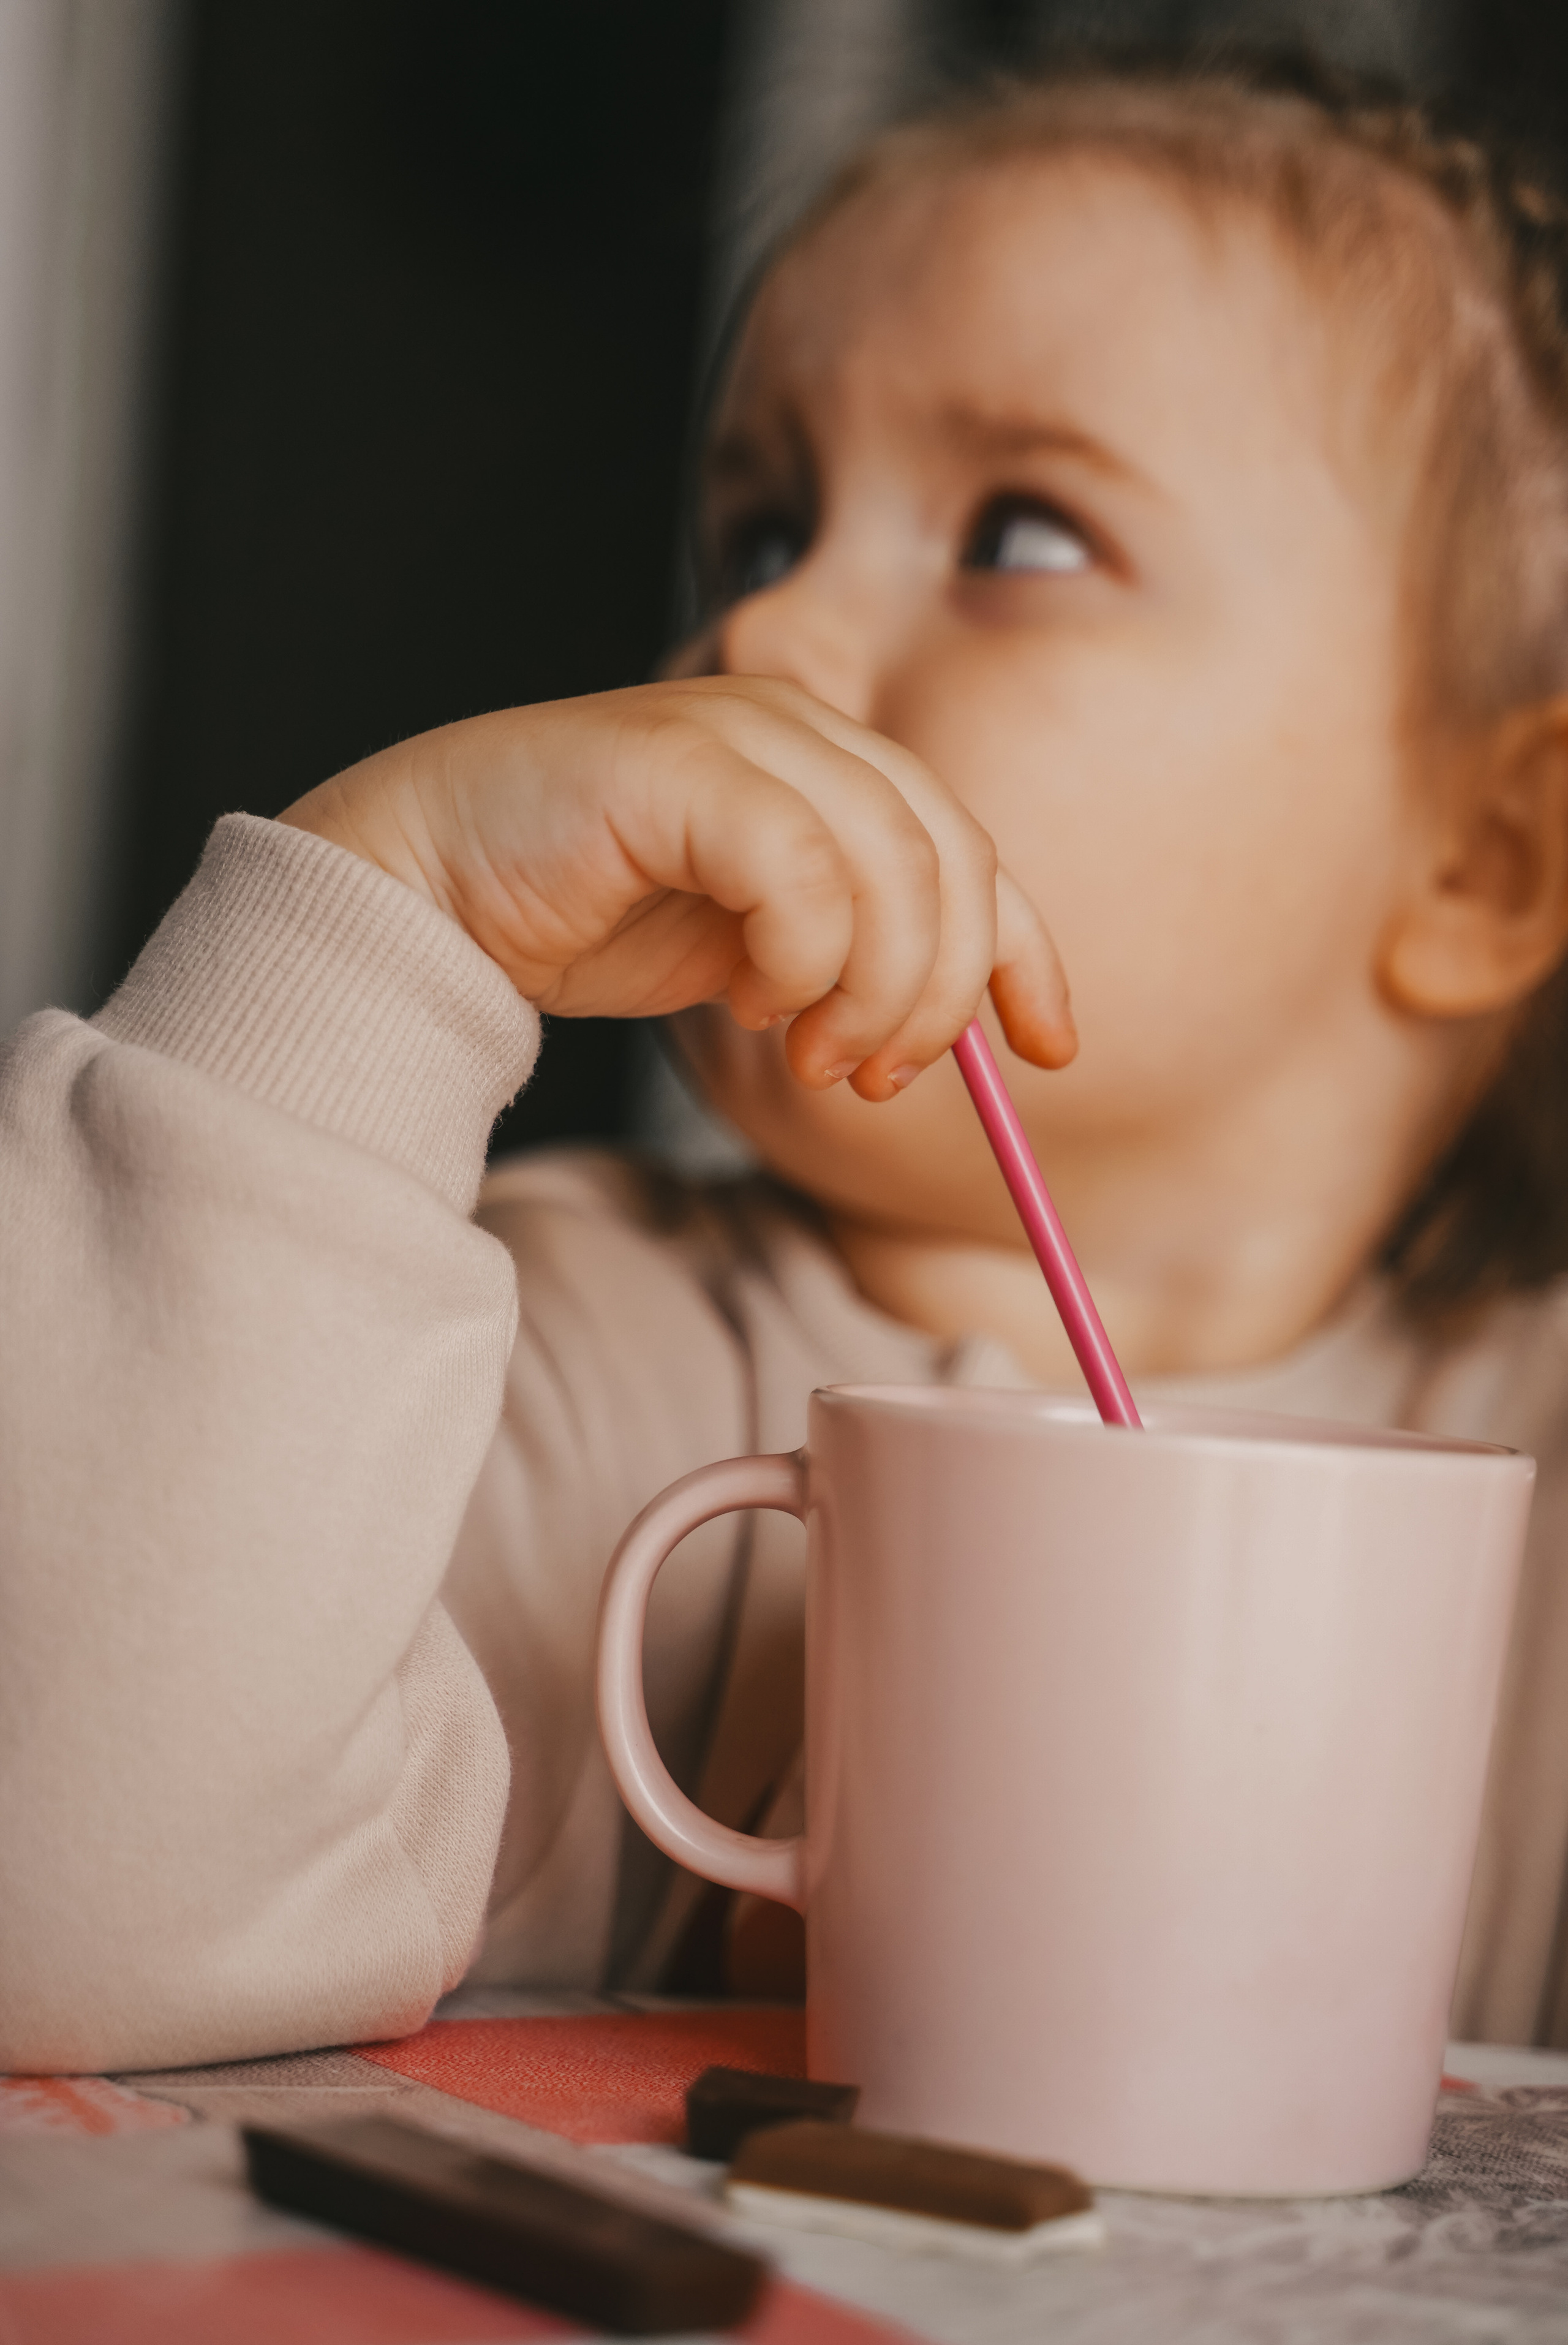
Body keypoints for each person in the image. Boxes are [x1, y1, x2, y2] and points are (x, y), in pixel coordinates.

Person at [7, 50, 1568, 2074]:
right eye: (759, 529)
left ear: (1484, 859)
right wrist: (376, 929)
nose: (762, 636)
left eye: (1019, 530)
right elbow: (56, 1886)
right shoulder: (513, 1356)